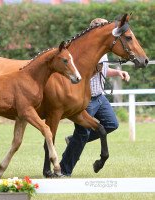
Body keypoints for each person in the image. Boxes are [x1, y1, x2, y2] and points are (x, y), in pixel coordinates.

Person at [59, 18, 130, 176]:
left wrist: (118, 72)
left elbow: (104, 69)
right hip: (87, 100)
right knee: (82, 133)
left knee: (112, 124)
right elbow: (78, 76)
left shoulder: (103, 50)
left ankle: (73, 140)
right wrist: (93, 71)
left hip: (100, 97)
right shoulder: (85, 52)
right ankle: (64, 169)